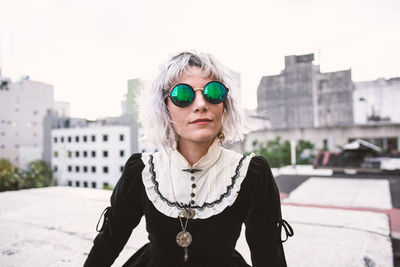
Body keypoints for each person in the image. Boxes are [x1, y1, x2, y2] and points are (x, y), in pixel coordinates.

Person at [84, 51, 293, 267]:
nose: (201, 104)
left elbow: (268, 255)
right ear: (164, 107)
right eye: (183, 95)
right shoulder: (143, 171)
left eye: (213, 92)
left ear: (225, 104)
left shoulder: (251, 174)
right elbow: (109, 241)